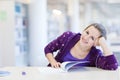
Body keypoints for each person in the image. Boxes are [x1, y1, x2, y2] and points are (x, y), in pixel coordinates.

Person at [44, 23, 118, 70]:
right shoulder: (67, 37)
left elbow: (112, 66)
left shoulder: (95, 55)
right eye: (87, 32)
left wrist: (103, 42)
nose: (86, 37)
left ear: (96, 43)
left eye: (92, 38)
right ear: (83, 30)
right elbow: (48, 49)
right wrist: (53, 62)